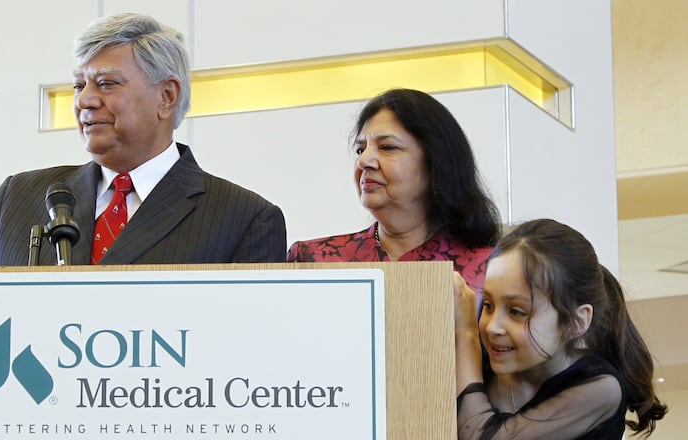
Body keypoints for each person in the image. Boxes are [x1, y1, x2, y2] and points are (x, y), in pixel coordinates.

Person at [0, 13, 286, 266]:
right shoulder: (19, 198)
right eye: (80, 85)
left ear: (166, 96)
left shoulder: (244, 218)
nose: (84, 101)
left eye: (106, 83)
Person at [453, 219, 667, 439]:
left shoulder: (600, 388)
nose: (492, 327)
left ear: (576, 322)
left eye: (517, 311)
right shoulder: (481, 367)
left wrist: (466, 333)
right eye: (488, 305)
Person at [286, 88, 500, 294]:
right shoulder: (311, 261)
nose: (364, 161)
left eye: (387, 147)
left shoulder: (491, 270)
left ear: (437, 163)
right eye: (361, 149)